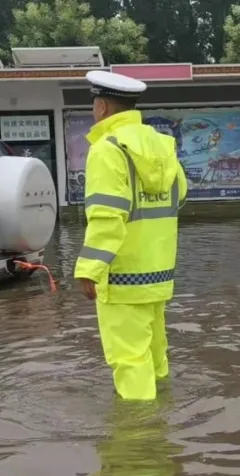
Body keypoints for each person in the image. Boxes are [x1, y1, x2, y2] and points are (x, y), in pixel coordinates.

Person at [74, 70, 189, 401]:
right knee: (155, 356)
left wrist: (89, 269)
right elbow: (180, 195)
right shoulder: (161, 145)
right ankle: (165, 415)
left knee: (129, 360)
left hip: (123, 277)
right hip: (158, 273)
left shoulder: (107, 149)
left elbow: (107, 217)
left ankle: (141, 439)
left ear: (102, 108)